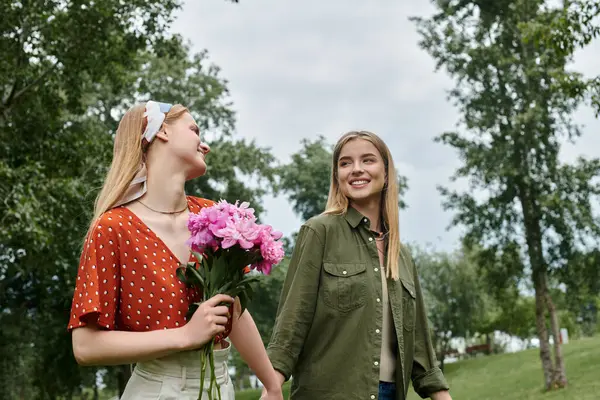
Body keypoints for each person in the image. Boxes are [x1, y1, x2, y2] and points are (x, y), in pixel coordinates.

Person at [68, 101, 283, 400]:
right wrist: (184, 336)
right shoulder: (113, 228)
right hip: (158, 389)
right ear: (162, 132)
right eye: (195, 130)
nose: (205, 145)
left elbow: (233, 310)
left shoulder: (213, 217)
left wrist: (271, 384)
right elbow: (85, 347)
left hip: (222, 386)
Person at [266, 131, 452, 400]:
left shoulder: (402, 256)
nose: (356, 170)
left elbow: (421, 347)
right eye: (345, 163)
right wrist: (271, 388)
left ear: (386, 173)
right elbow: (292, 322)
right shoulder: (320, 231)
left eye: (368, 160)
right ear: (337, 176)